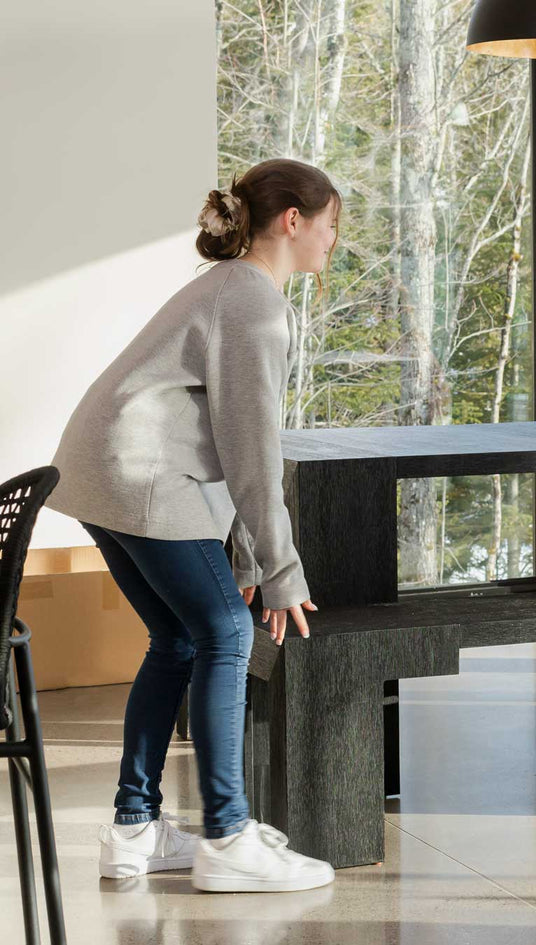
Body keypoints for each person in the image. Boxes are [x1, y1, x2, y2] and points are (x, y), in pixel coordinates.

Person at [45, 158, 337, 891]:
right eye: (332, 224)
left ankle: (135, 827)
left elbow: (226, 444)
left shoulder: (232, 288)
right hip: (138, 474)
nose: (334, 240)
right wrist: (279, 572)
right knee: (226, 636)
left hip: (99, 470)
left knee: (180, 636)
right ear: (293, 221)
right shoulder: (253, 301)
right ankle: (230, 836)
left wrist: (248, 564)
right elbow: (251, 451)